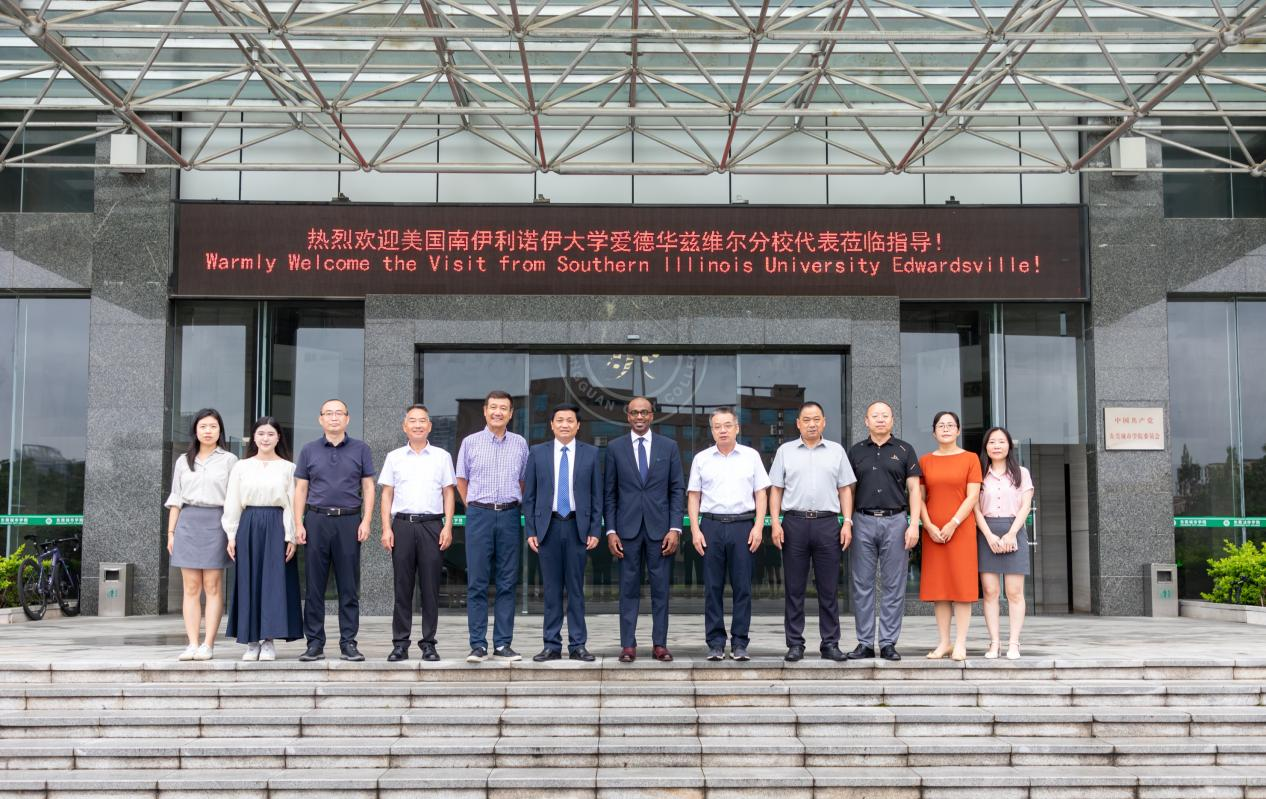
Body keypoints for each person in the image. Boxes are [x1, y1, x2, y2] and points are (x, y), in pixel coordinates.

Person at [769, 401, 856, 662]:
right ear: (798, 423)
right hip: (794, 523)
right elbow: (776, 490)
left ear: (824, 422)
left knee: (829, 588)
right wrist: (775, 522)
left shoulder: (836, 451)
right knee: (794, 588)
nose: (811, 424)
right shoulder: (785, 451)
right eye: (806, 420)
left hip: (827, 523)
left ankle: (830, 643)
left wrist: (847, 522)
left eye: (816, 419)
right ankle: (795, 643)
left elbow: (845, 489)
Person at [293, 398, 375, 662]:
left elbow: (368, 487)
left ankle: (348, 642)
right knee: (314, 587)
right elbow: (301, 489)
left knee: (348, 587)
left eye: (339, 413)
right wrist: (298, 523)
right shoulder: (309, 450)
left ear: (347, 419)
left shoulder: (361, 449)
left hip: (349, 521)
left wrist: (366, 520)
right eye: (328, 413)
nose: (334, 417)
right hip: (316, 521)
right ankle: (314, 643)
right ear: (321, 419)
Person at [604, 396, 685, 663]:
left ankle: (659, 644)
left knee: (661, 590)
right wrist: (611, 530)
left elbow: (677, 490)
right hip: (626, 531)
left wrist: (675, 528)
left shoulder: (669, 446)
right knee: (627, 589)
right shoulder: (615, 448)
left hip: (660, 532)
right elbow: (610, 493)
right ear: (628, 416)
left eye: (644, 413)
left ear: (652, 416)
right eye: (635, 413)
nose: (639, 417)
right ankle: (628, 645)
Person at [687, 406, 771, 661]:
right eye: (717, 427)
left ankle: (740, 643)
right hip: (711, 526)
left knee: (742, 587)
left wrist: (758, 527)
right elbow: (694, 496)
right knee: (712, 587)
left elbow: (761, 493)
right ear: (712, 431)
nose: (722, 430)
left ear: (737, 428)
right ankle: (715, 643)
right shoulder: (701, 458)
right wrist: (695, 530)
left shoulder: (751, 456)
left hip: (742, 526)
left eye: (727, 425)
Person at [523, 403, 602, 662]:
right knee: (552, 590)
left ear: (578, 426)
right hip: (549, 527)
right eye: (560, 420)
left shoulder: (591, 453)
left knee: (576, 589)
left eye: (570, 420)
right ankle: (551, 645)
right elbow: (529, 496)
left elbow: (596, 495)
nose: (565, 424)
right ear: (552, 424)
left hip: (578, 526)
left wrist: (595, 528)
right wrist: (531, 529)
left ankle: (578, 645)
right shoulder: (537, 453)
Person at [456, 390, 530, 663]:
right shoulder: (470, 442)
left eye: (504, 408)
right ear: (485, 411)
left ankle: (502, 644)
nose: (498, 412)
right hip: (479, 515)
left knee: (507, 582)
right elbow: (461, 479)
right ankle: (477, 644)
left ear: (511, 414)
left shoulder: (520, 443)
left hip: (509, 515)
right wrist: (473, 506)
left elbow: (523, 480)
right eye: (493, 407)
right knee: (477, 582)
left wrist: (512, 503)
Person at [845, 401, 923, 662]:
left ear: (892, 420)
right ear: (866, 421)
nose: (880, 419)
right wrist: (847, 521)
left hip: (896, 521)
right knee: (862, 584)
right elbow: (848, 490)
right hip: (863, 520)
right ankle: (865, 643)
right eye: (875, 415)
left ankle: (888, 642)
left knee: (894, 584)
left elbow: (914, 490)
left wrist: (913, 523)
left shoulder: (905, 450)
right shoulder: (856, 451)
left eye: (885, 415)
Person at [379, 404, 456, 662]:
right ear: (405, 426)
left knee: (430, 588)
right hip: (402, 525)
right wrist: (386, 528)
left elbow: (448, 493)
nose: (418, 425)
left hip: (432, 526)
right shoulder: (394, 457)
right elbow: (387, 494)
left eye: (422, 420)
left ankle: (429, 644)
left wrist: (447, 526)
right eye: (412, 421)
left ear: (429, 426)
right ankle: (400, 644)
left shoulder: (442, 456)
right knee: (402, 587)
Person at [223, 417, 301, 661]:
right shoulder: (241, 466)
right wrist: (231, 535)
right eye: (261, 433)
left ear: (278, 438)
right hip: (249, 523)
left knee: (273, 583)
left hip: (277, 524)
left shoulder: (289, 468)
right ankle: (251, 642)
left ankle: (268, 640)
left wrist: (291, 536)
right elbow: (232, 501)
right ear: (254, 437)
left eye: (270, 434)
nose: (265, 438)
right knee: (249, 580)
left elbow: (292, 504)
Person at [165, 408, 238, 661]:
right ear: (195, 431)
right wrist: (171, 532)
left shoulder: (230, 460)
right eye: (203, 426)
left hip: (217, 522)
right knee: (191, 587)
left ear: (220, 431)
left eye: (213, 427)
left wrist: (232, 532)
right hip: (188, 522)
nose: (208, 431)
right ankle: (192, 644)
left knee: (212, 585)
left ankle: (208, 644)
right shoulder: (183, 461)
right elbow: (176, 498)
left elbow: (234, 498)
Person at [917, 411, 982, 662]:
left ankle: (961, 643)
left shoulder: (970, 458)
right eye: (941, 425)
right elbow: (920, 498)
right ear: (934, 432)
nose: (945, 429)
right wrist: (928, 525)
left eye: (950, 425)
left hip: (961, 530)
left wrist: (954, 523)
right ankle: (944, 642)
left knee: (961, 587)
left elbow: (972, 496)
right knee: (940, 588)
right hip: (933, 532)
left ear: (958, 430)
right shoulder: (925, 461)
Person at [974, 426, 1034, 660]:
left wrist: (1011, 534)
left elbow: (1025, 506)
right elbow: (975, 508)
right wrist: (989, 536)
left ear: (1009, 445)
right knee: (990, 592)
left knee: (1014, 592)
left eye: (1001, 441)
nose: (996, 446)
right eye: (992, 442)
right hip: (986, 531)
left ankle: (1014, 643)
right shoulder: (979, 473)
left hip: (1014, 530)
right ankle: (994, 643)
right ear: (985, 447)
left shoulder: (1021, 473)